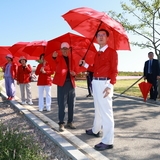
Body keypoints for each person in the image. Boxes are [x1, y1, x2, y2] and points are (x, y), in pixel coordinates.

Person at [79, 29, 118, 151]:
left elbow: (114, 71)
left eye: (103, 35)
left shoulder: (112, 52)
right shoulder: (98, 53)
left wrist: (110, 86)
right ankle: (96, 129)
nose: (100, 37)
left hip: (104, 83)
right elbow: (94, 68)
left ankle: (108, 141)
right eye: (98, 35)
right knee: (98, 109)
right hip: (95, 82)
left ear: (107, 38)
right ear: (96, 38)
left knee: (106, 112)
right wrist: (84, 64)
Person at [52, 42, 77, 132]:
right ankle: (61, 123)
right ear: (61, 50)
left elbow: (75, 71)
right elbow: (54, 63)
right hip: (62, 84)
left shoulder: (72, 60)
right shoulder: (58, 58)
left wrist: (74, 74)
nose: (65, 50)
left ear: (69, 50)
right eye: (63, 49)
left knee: (71, 104)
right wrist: (54, 57)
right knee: (62, 104)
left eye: (66, 49)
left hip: (71, 84)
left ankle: (70, 122)